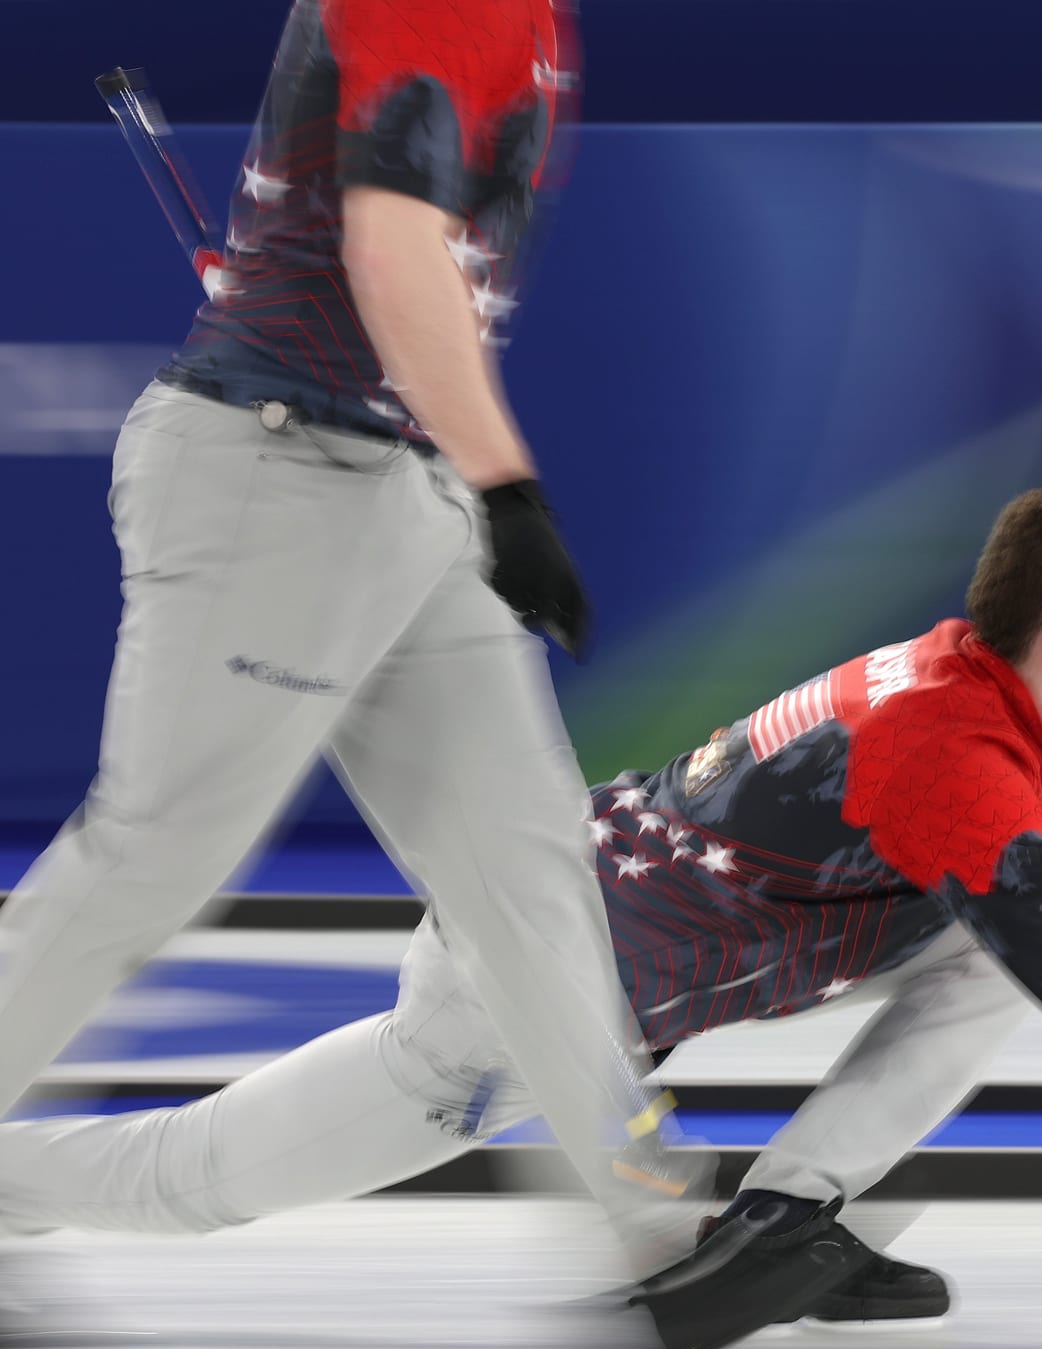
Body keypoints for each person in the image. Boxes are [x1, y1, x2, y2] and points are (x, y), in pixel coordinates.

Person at [0, 485, 1042, 1349]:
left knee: (998, 939)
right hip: (514, 1003)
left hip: (589, 966)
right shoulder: (944, 743)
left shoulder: (953, 703)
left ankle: (786, 1209)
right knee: (189, 1179)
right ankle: (782, 1214)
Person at [0, 0, 668, 1262]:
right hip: (284, 469)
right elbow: (394, 243)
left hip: (400, 482)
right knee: (154, 852)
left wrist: (473, 482)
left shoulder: (526, 17)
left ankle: (667, 1228)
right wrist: (509, 486)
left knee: (524, 869)